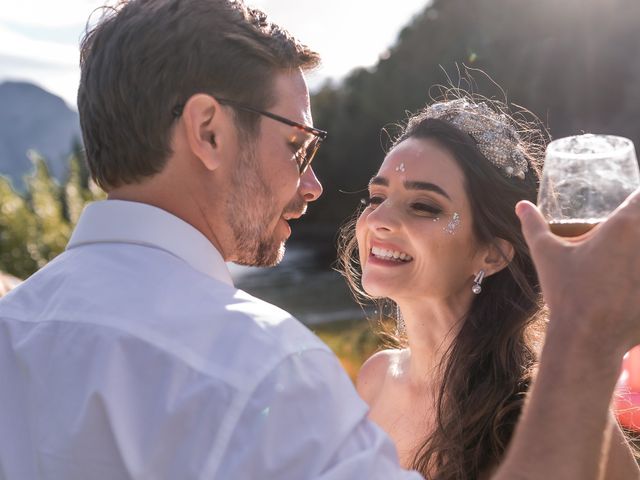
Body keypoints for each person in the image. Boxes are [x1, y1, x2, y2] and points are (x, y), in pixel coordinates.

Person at [0, 0, 639, 479]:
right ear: (209, 132)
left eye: (423, 205)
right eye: (296, 144)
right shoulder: (262, 365)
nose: (312, 186)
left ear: (496, 249)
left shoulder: (15, 326)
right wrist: (588, 336)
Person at [339, 97, 639, 479]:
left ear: (493, 254)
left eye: (423, 206)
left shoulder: (554, 409)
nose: (378, 219)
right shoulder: (375, 378)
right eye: (377, 197)